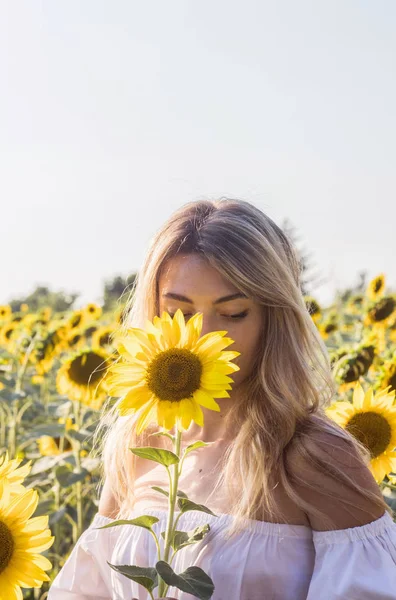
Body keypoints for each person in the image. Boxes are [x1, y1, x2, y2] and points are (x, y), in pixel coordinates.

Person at [48, 198, 396, 599]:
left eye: (232, 314)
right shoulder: (139, 444)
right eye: (179, 312)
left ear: (272, 318)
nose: (204, 339)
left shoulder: (312, 457)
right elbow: (82, 592)